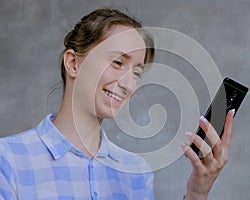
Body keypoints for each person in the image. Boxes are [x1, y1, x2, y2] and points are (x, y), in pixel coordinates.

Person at [0, 8, 235, 200]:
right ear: (73, 63)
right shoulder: (8, 160)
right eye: (117, 62)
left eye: (137, 73)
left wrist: (197, 192)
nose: (128, 85)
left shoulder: (137, 173)